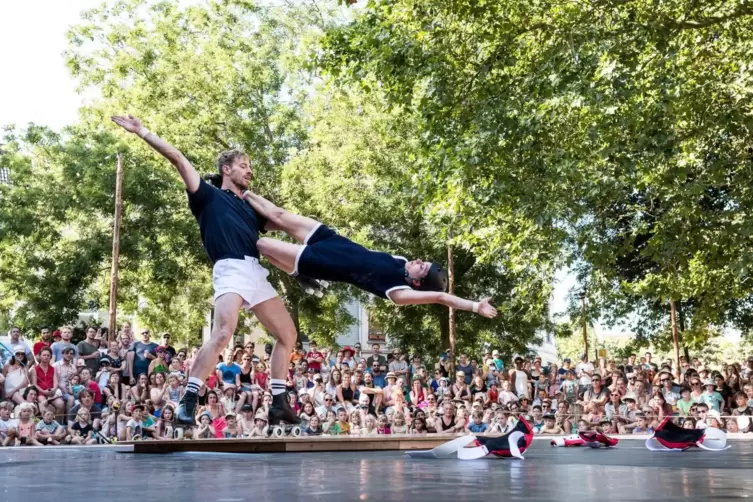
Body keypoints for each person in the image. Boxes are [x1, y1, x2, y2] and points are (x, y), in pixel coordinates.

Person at [112, 114, 299, 427]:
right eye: (244, 165)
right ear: (227, 169)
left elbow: (284, 222)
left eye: (250, 166)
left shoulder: (250, 208)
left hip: (256, 271)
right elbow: (178, 158)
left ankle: (279, 402)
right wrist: (142, 131)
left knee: (288, 334)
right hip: (230, 268)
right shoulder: (207, 196)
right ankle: (188, 400)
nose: (250, 170)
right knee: (224, 332)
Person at [240, 191, 498, 318]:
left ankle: (301, 273)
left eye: (423, 267)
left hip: (322, 263)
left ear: (418, 282)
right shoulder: (402, 261)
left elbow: (441, 297)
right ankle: (239, 193)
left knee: (263, 245)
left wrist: (475, 306)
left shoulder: (398, 292)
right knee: (277, 217)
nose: (419, 260)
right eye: (423, 260)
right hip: (332, 240)